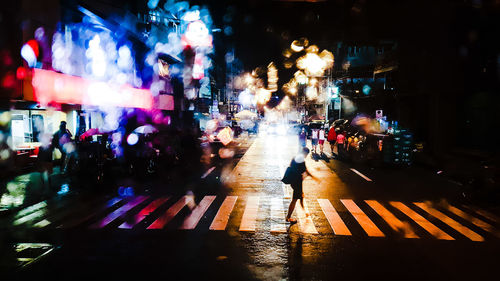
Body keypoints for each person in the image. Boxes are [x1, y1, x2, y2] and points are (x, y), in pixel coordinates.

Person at [285, 147, 319, 224]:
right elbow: (306, 171)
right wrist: (315, 178)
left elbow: (293, 168)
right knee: (295, 199)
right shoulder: (301, 160)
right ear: (305, 153)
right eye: (306, 154)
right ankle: (288, 217)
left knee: (301, 196)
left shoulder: (295, 158)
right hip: (297, 182)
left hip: (293, 181)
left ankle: (304, 212)